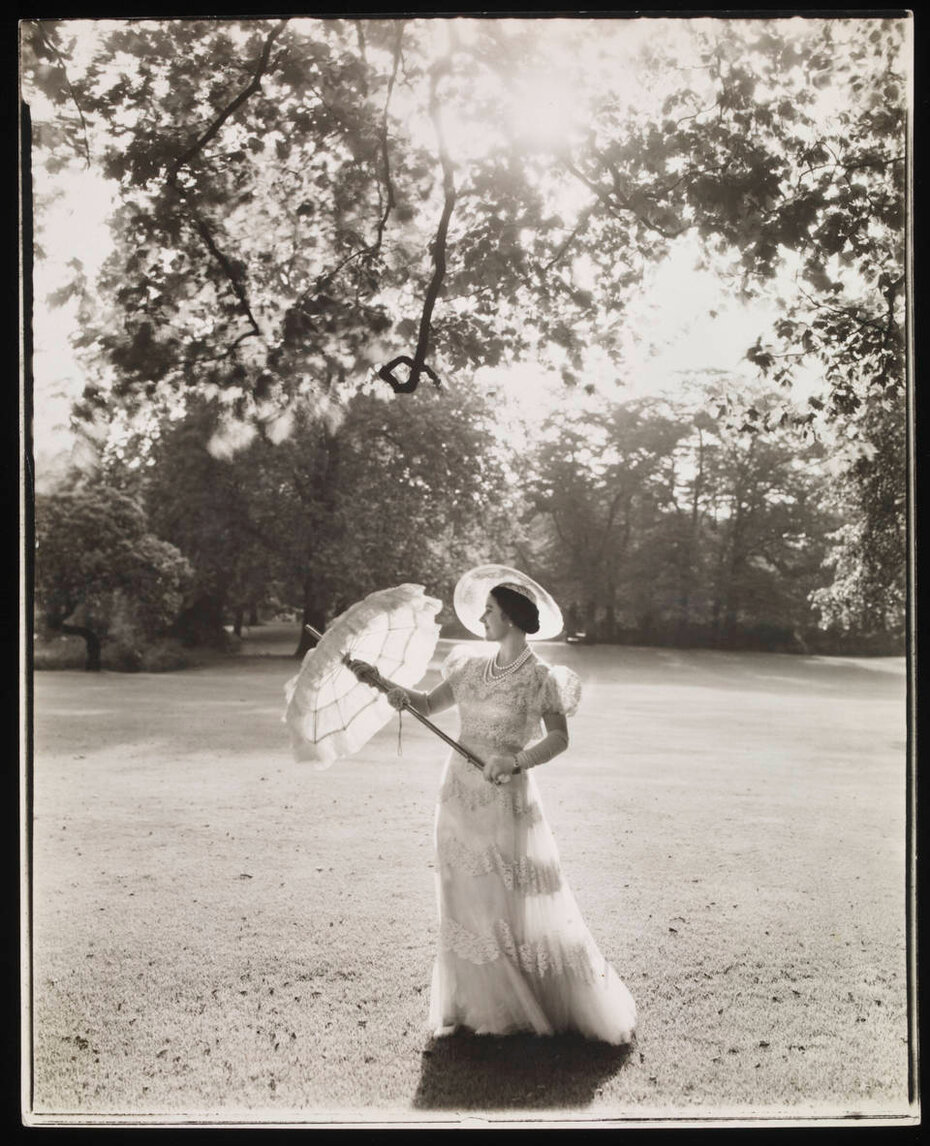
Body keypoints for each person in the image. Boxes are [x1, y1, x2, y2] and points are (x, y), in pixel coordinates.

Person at [350, 565, 636, 1045]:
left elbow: (560, 739)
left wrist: (516, 760)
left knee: (501, 900)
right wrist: (380, 682)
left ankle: (514, 1002)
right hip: (457, 796)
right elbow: (424, 702)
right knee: (461, 896)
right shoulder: (467, 666)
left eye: (490, 611)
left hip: (504, 798)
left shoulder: (540, 679)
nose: (482, 618)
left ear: (510, 619)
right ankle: (470, 1006)